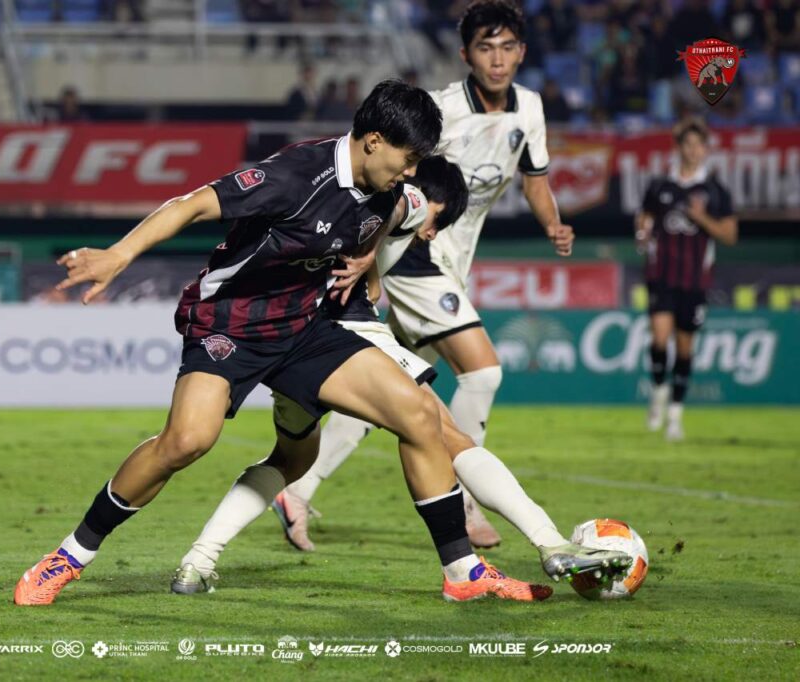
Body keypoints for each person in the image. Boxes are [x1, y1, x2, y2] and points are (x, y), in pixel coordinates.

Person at [13, 80, 553, 606]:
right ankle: (69, 555)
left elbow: (407, 213)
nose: (413, 172)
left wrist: (368, 259)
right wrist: (120, 255)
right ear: (373, 142)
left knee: (417, 413)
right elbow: (191, 204)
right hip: (231, 324)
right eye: (407, 158)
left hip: (305, 328)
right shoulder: (295, 175)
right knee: (186, 442)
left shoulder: (393, 191)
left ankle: (463, 573)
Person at [171, 157, 631, 595]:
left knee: (290, 459)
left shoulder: (364, 202)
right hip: (342, 335)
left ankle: (198, 560)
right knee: (446, 431)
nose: (432, 232)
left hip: (292, 342)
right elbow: (401, 207)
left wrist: (370, 256)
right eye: (438, 218)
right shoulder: (402, 200)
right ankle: (548, 543)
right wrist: (372, 252)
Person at [269, 0, 576, 550]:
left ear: (522, 53)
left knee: (394, 393)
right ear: (466, 54)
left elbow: (535, 178)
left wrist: (553, 223)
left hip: (451, 263)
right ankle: (465, 501)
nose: (497, 59)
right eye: (486, 47)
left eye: (507, 47)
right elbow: (383, 172)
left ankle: (299, 488)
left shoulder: (529, 108)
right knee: (482, 374)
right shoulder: (438, 109)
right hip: (415, 255)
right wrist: (370, 250)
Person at [636, 117, 737, 441]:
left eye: (699, 145)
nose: (693, 151)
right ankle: (658, 392)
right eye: (688, 145)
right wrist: (642, 231)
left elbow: (730, 235)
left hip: (694, 279)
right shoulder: (660, 185)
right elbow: (645, 216)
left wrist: (700, 216)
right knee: (659, 339)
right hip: (661, 273)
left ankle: (675, 416)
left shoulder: (714, 191)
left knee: (684, 347)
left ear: (706, 150)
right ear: (678, 148)